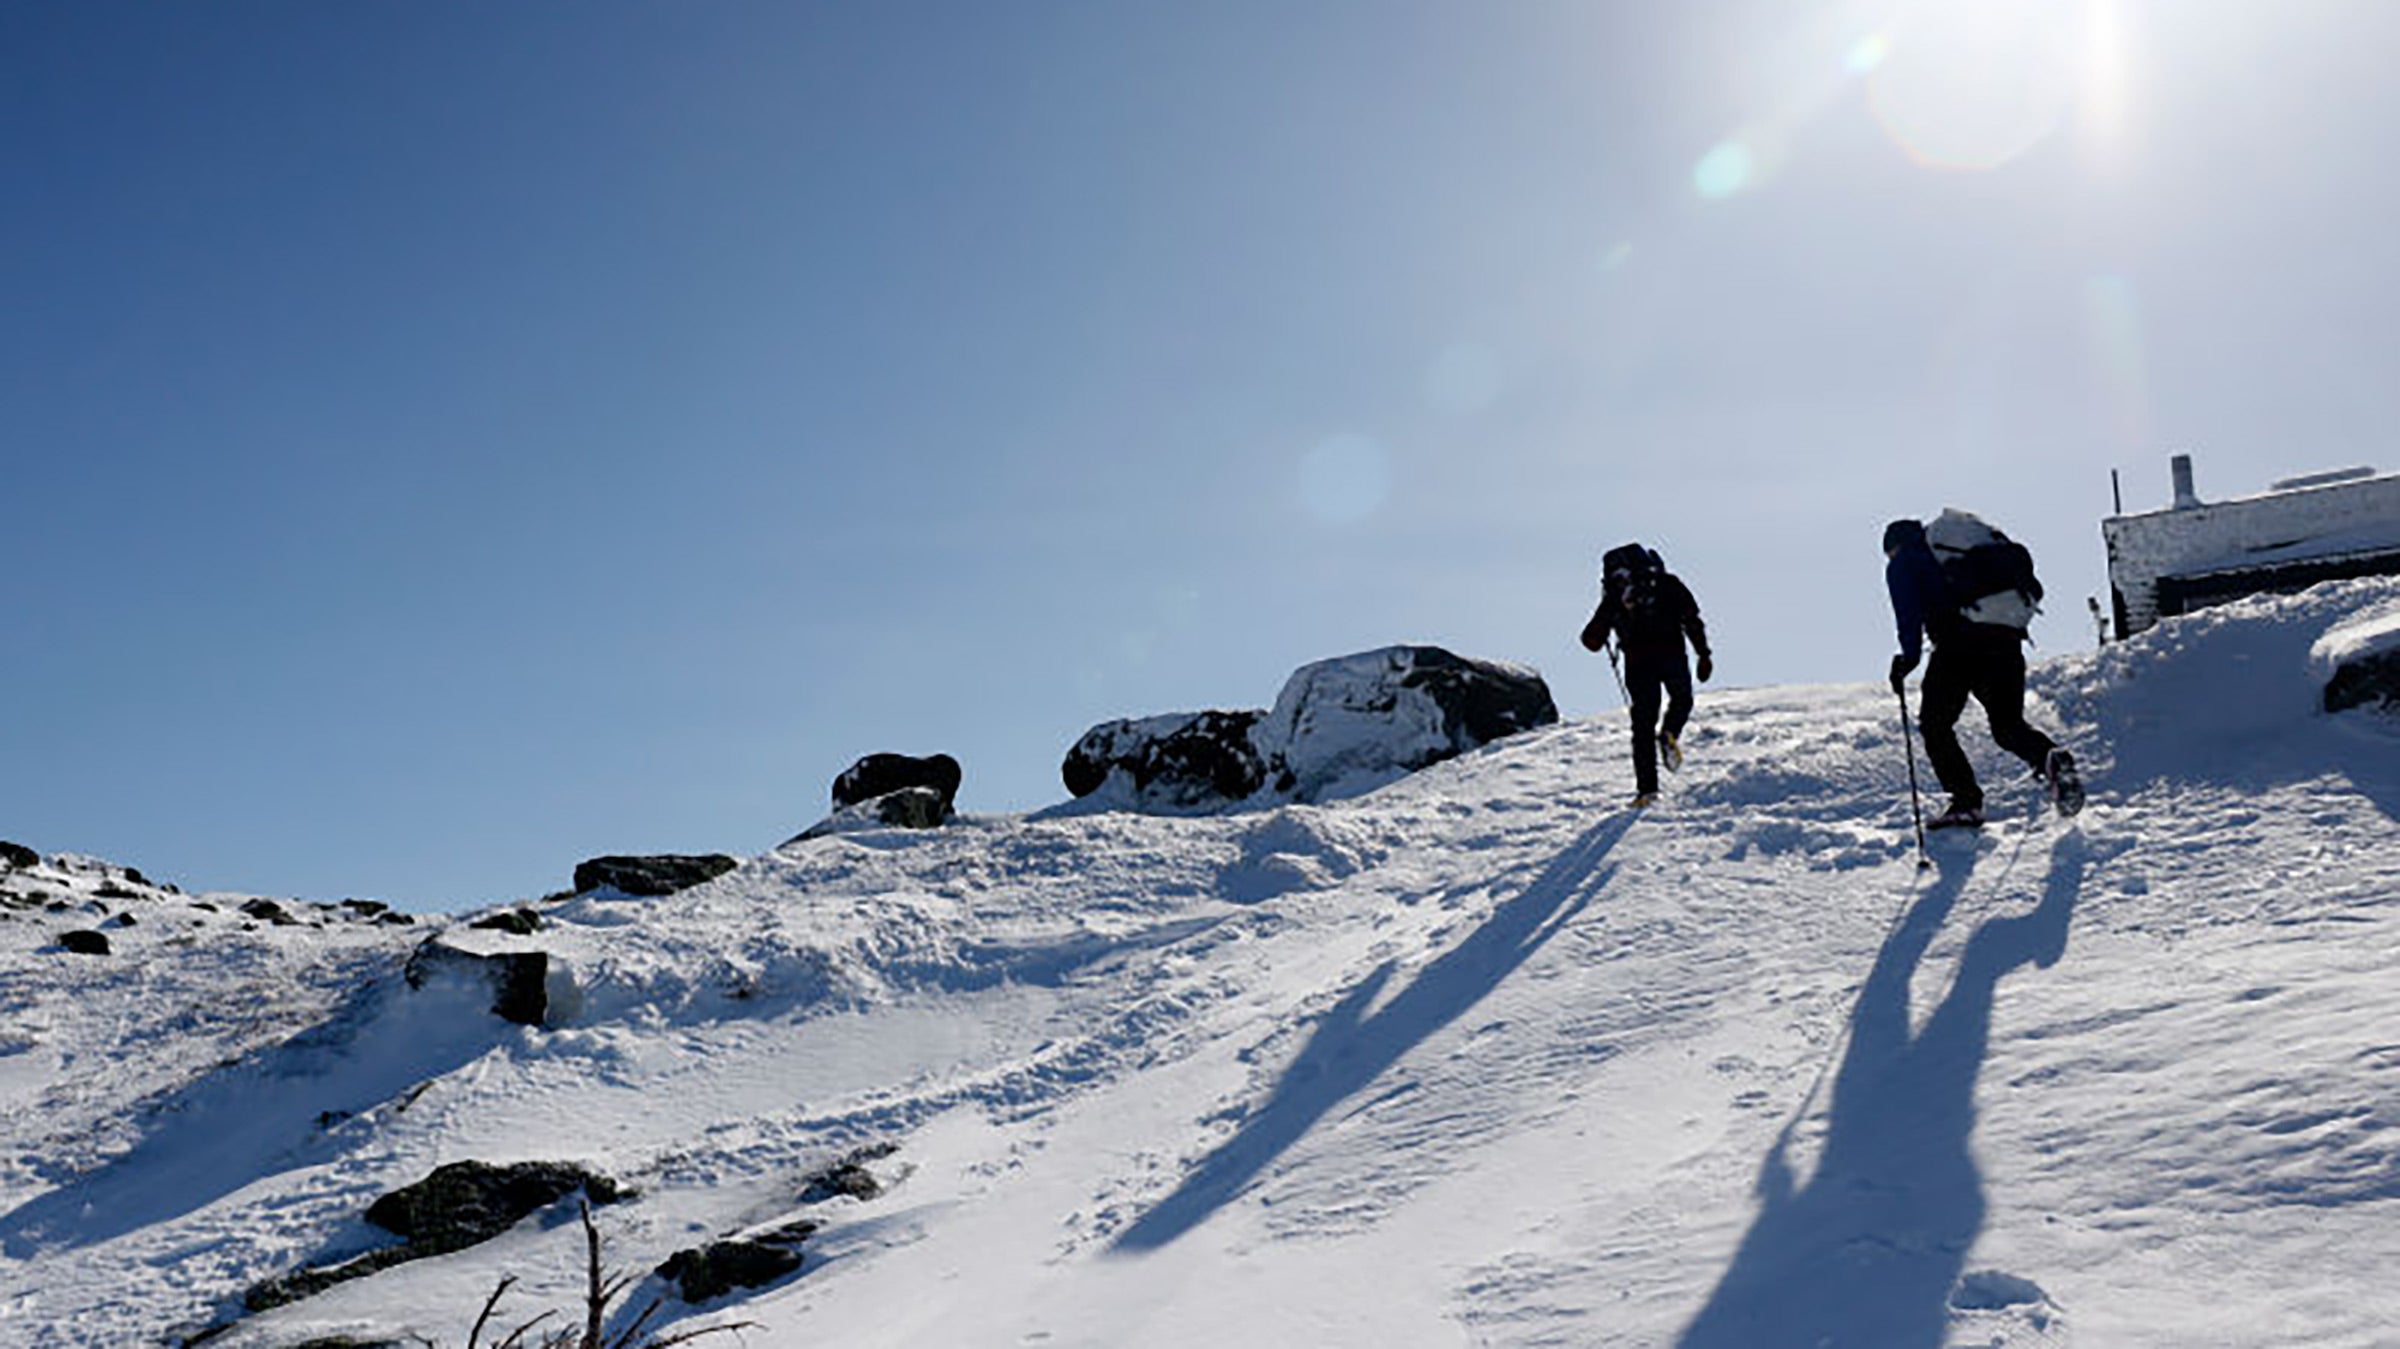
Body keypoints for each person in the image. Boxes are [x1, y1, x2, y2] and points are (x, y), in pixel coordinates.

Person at [1884, 513, 2082, 828]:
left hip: (1959, 643)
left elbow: (1908, 614)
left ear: (1893, 546)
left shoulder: (1905, 559)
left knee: (1936, 725)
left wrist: (1907, 660)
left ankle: (1966, 802)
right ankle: (2050, 757)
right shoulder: (1961, 546)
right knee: (2007, 726)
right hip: (2005, 639)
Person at [1580, 543, 1712, 807]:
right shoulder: (1667, 583)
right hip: (1672, 654)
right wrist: (1703, 654)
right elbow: (1691, 618)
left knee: (1642, 725)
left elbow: (1590, 641)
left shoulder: (1615, 597)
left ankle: (1646, 791)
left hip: (1637, 664)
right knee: (1682, 700)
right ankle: (1670, 733)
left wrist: (1610, 608)